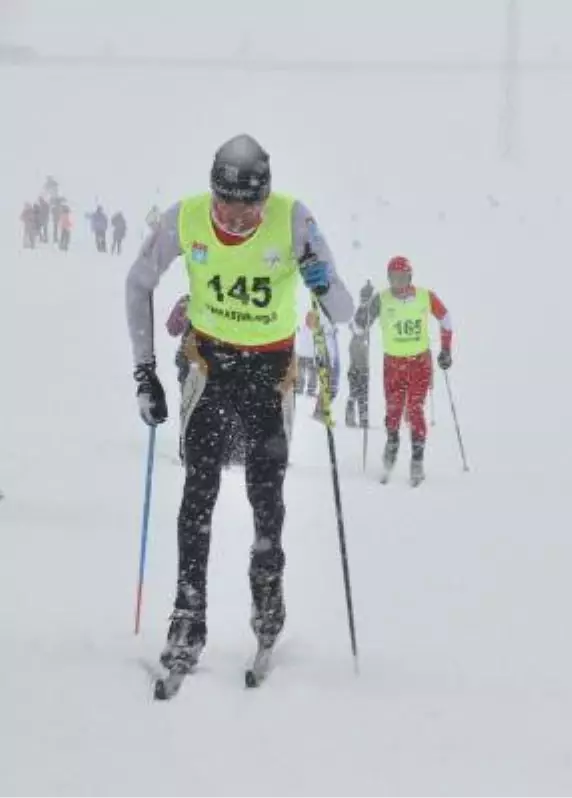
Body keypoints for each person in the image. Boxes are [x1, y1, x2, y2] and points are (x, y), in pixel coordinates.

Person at [124, 133, 353, 686]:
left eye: (249, 208)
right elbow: (138, 282)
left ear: (265, 198)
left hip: (269, 376)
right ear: (213, 193)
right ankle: (188, 617)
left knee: (265, 494)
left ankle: (266, 594)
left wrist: (322, 283)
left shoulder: (294, 220)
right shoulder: (186, 218)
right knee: (197, 494)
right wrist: (144, 371)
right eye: (226, 205)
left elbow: (342, 310)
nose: (236, 219)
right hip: (210, 368)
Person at [354, 256, 452, 485]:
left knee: (416, 408)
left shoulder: (425, 296)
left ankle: (417, 459)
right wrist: (362, 314)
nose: (398, 283)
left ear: (410, 277)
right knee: (394, 410)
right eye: (393, 278)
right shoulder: (382, 299)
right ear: (388, 279)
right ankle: (392, 444)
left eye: (402, 278)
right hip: (393, 364)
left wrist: (446, 349)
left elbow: (445, 318)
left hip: (419, 362)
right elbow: (359, 327)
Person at [345, 281, 375, 427]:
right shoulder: (362, 312)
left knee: (359, 388)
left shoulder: (364, 311)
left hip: (360, 354)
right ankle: (357, 417)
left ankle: (361, 417)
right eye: (366, 297)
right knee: (358, 388)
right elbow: (358, 329)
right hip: (359, 355)